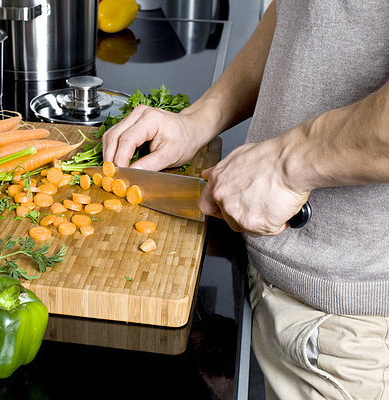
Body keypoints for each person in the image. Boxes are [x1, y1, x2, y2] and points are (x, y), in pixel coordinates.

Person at [102, 1, 389, 399]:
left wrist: (289, 162)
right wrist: (200, 118)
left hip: (344, 321)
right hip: (274, 265)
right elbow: (306, 16)